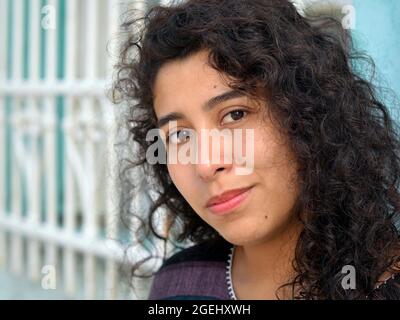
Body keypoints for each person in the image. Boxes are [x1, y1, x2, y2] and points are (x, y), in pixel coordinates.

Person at [112, 0, 400, 299]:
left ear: (307, 115)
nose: (206, 165)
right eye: (179, 135)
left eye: (235, 114)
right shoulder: (178, 285)